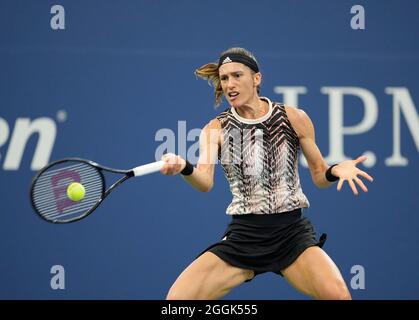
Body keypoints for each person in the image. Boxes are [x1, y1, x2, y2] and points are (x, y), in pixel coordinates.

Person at [160, 47, 373, 300]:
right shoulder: (215, 128)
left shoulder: (293, 117)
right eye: (225, 78)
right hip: (244, 236)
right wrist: (184, 167)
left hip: (291, 234)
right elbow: (204, 182)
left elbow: (319, 175)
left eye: (237, 75)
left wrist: (336, 169)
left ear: (256, 78)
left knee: (338, 297)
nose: (230, 84)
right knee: (177, 301)